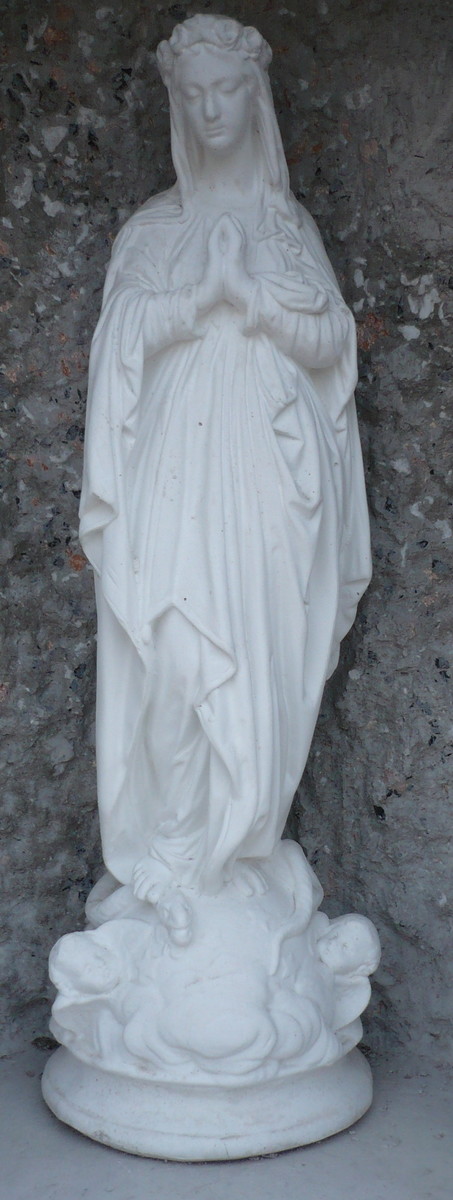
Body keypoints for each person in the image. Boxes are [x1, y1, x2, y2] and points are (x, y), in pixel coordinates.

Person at [79, 16, 371, 938]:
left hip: (276, 481)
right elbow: (117, 347)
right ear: (176, 104)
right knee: (173, 653)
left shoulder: (288, 230)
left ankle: (236, 853)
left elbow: (331, 344)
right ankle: (170, 858)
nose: (210, 109)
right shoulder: (153, 229)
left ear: (256, 99)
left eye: (226, 90)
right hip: (175, 472)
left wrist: (254, 303)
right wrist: (194, 301)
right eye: (193, 93)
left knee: (264, 660)